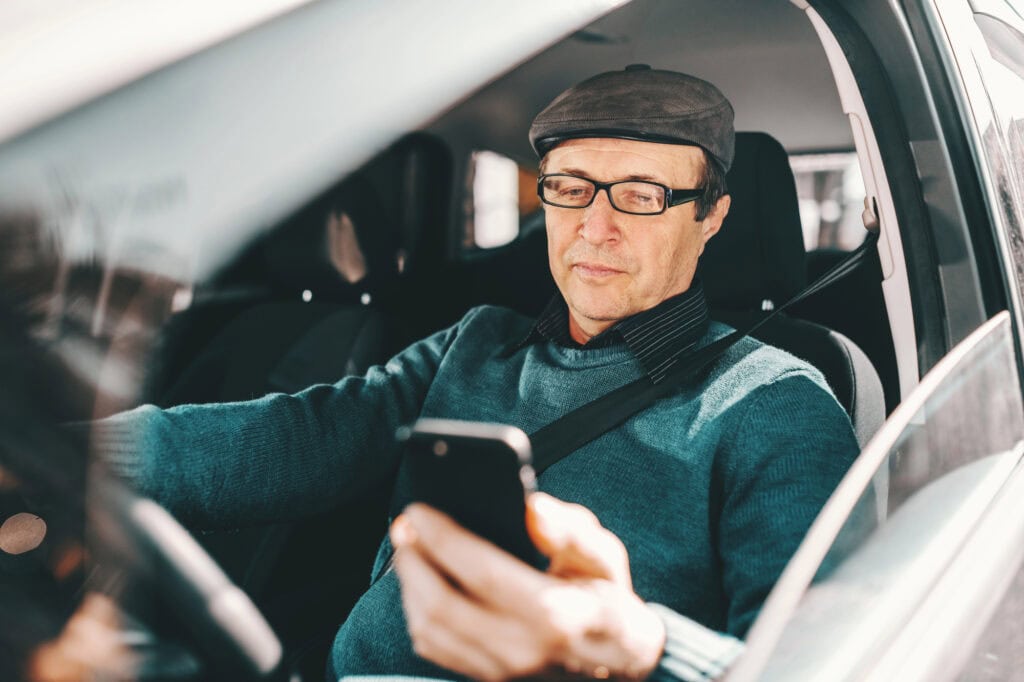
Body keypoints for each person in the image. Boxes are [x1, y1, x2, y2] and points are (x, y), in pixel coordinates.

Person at [96, 66, 859, 681]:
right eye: (570, 188)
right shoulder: (476, 344)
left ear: (710, 216)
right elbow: (297, 436)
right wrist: (77, 455)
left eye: (640, 195)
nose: (595, 227)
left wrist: (638, 649)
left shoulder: (774, 403)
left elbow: (817, 663)